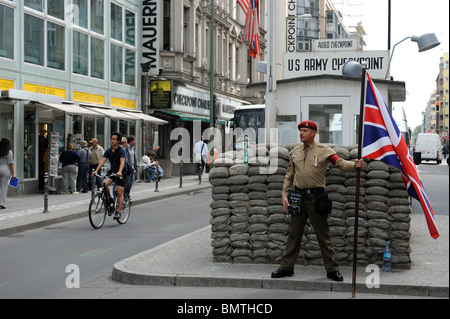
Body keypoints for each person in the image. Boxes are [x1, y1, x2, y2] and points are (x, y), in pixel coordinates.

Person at [271, 121, 365, 282]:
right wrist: (284, 194)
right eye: (300, 130)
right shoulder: (295, 152)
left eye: (305, 130)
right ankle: (286, 267)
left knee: (323, 236)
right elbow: (289, 176)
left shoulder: (324, 150)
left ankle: (332, 270)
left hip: (316, 198)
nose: (301, 133)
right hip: (298, 198)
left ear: (314, 132)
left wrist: (355, 166)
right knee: (294, 235)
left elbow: (340, 163)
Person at [92, 132, 127, 220]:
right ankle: (110, 198)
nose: (113, 141)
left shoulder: (122, 150)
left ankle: (118, 212)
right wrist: (96, 170)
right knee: (104, 183)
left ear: (118, 141)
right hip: (113, 171)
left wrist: (119, 171)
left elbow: (122, 162)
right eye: (112, 139)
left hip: (122, 172)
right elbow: (102, 161)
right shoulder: (108, 150)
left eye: (115, 139)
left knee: (119, 192)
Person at [0, 137, 16, 209]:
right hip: (5, 169)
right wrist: (13, 174)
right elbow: (11, 163)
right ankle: (2, 203)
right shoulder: (9, 152)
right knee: (4, 187)